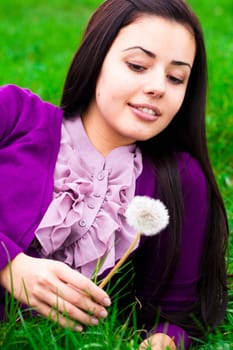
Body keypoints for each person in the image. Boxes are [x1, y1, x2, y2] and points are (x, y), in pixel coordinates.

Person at [0, 0, 229, 348]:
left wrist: (163, 341)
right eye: (138, 65)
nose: (158, 87)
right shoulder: (15, 116)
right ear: (96, 59)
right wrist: (10, 265)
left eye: (176, 77)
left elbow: (176, 315)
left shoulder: (180, 178)